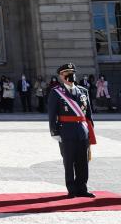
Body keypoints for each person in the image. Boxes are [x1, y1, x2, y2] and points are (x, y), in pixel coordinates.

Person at [48, 63, 97, 198]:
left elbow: (88, 114)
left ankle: (82, 188)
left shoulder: (83, 91)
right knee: (69, 161)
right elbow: (52, 114)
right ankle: (71, 189)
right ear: (61, 76)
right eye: (66, 73)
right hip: (66, 131)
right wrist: (54, 132)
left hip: (82, 131)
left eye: (72, 72)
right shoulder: (56, 92)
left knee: (83, 161)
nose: (70, 75)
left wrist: (91, 130)